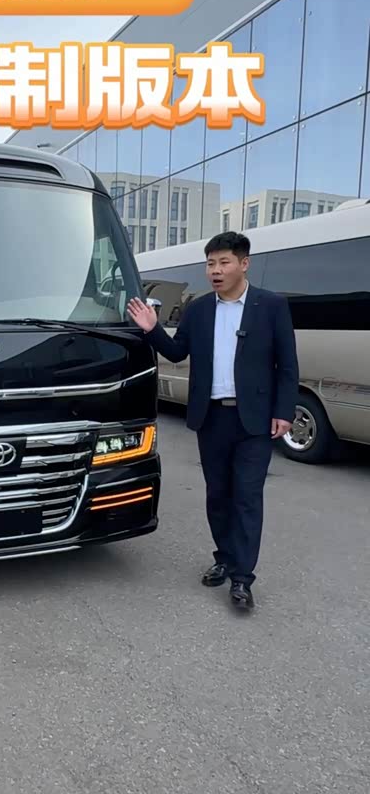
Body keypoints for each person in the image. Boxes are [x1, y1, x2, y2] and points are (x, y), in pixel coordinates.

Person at [126, 231, 299, 610]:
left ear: (243, 264)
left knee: (247, 498)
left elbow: (287, 365)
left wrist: (284, 411)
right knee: (218, 495)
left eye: (223, 263)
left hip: (254, 420)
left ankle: (242, 579)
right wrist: (152, 329)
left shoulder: (271, 306)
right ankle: (225, 557)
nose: (215, 271)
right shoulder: (199, 309)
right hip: (211, 418)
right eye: (210, 264)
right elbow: (176, 352)